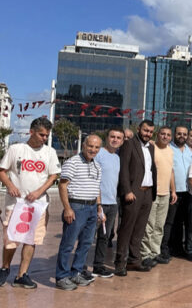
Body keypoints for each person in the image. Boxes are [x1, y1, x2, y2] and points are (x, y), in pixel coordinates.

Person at [0, 117, 60, 288]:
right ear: (31, 132)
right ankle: (5, 268)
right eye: (41, 134)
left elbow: (53, 175)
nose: (44, 138)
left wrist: (39, 191)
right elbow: (1, 171)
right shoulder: (16, 149)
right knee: (11, 239)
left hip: (38, 205)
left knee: (31, 240)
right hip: (16, 203)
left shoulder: (50, 152)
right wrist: (10, 185)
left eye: (47, 135)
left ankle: (22, 274)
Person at [55, 135, 103, 290]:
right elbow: (63, 186)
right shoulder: (72, 163)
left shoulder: (97, 165)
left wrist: (99, 207)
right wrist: (67, 208)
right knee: (68, 244)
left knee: (86, 243)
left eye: (96, 147)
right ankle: (62, 276)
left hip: (91, 208)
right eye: (90, 146)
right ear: (83, 145)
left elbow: (96, 188)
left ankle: (76, 273)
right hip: (76, 207)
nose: (93, 150)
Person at [115, 120, 156, 276]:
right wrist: (127, 190)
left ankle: (134, 260)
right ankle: (120, 263)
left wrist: (153, 191)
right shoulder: (129, 144)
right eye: (145, 130)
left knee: (139, 229)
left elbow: (151, 169)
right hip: (133, 192)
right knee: (126, 229)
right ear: (139, 129)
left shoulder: (151, 147)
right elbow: (123, 168)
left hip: (147, 193)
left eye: (151, 132)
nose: (148, 134)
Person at [90, 127, 124, 278]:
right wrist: (98, 204)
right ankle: (79, 267)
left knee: (105, 237)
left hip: (112, 203)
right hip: (98, 203)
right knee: (88, 237)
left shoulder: (117, 157)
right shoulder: (99, 154)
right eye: (113, 136)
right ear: (107, 137)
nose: (115, 140)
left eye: (119, 138)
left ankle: (98, 266)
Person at [140, 126, 175, 268]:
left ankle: (155, 252)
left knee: (159, 226)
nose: (165, 137)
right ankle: (145, 254)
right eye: (163, 134)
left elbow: (171, 172)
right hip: (151, 193)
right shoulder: (151, 148)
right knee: (149, 226)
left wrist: (173, 191)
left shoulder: (171, 151)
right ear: (158, 135)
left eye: (168, 135)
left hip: (165, 194)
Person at [162, 126, 192, 260]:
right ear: (175, 134)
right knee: (169, 222)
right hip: (173, 191)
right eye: (179, 133)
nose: (182, 136)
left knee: (182, 221)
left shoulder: (190, 151)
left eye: (184, 134)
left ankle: (178, 247)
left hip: (187, 192)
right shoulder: (169, 149)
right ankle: (164, 248)